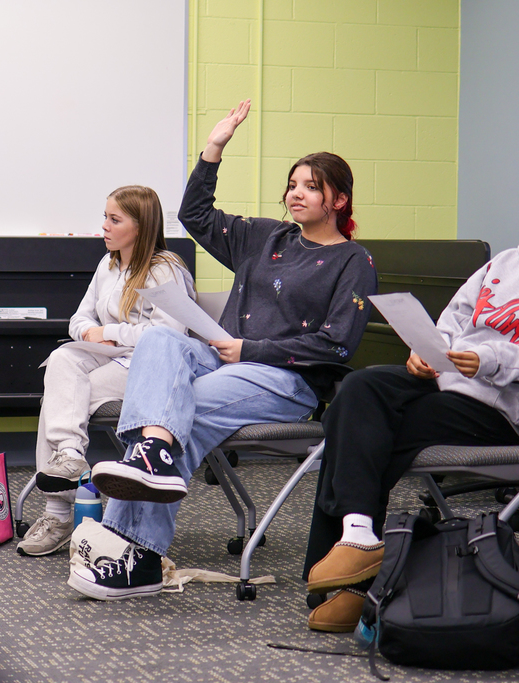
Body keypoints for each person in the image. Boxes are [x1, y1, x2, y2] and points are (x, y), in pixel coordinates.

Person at [69, 100, 378, 600]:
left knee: (178, 414)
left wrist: (249, 347)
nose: (295, 194)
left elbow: (337, 344)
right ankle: (151, 461)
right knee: (163, 340)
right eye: (293, 184)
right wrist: (214, 148)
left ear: (338, 201)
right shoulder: (265, 237)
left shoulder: (353, 261)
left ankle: (135, 553)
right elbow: (194, 214)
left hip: (284, 379)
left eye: (310, 187)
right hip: (222, 356)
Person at [302, 253, 519, 632]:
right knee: (358, 390)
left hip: (499, 408)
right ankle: (358, 538)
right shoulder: (504, 262)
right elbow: (453, 318)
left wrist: (486, 359)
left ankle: (360, 582)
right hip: (447, 380)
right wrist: (426, 349)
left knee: (371, 429)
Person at [16, 185, 195, 556]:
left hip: (144, 369)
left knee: (59, 398)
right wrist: (89, 332)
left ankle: (57, 511)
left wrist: (110, 333)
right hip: (106, 355)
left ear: (141, 227)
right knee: (63, 359)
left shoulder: (165, 269)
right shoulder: (108, 264)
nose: (104, 227)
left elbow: (171, 336)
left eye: (114, 220)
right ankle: (70, 455)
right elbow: (78, 318)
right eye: (105, 217)